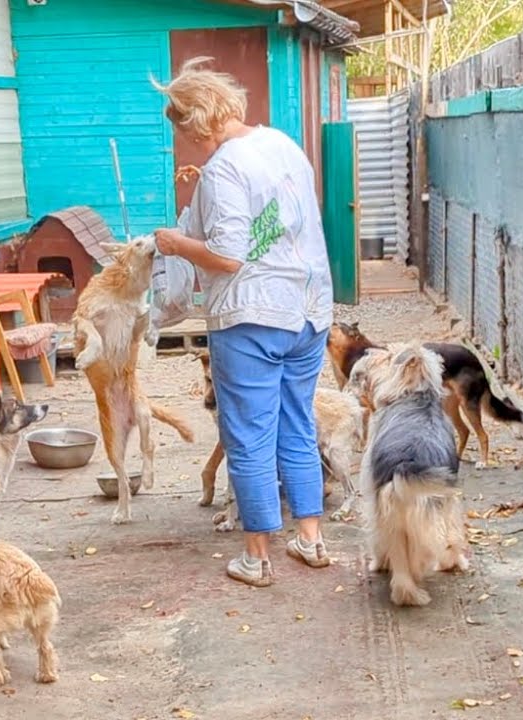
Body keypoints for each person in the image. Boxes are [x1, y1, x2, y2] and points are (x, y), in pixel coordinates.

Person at [151, 57, 335, 587]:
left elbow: (229, 255)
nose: (187, 143)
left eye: (183, 130)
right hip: (308, 309)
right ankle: (310, 538)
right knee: (297, 423)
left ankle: (256, 557)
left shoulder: (226, 165)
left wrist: (175, 244)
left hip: (253, 316)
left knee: (248, 436)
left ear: (198, 119)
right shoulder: (283, 145)